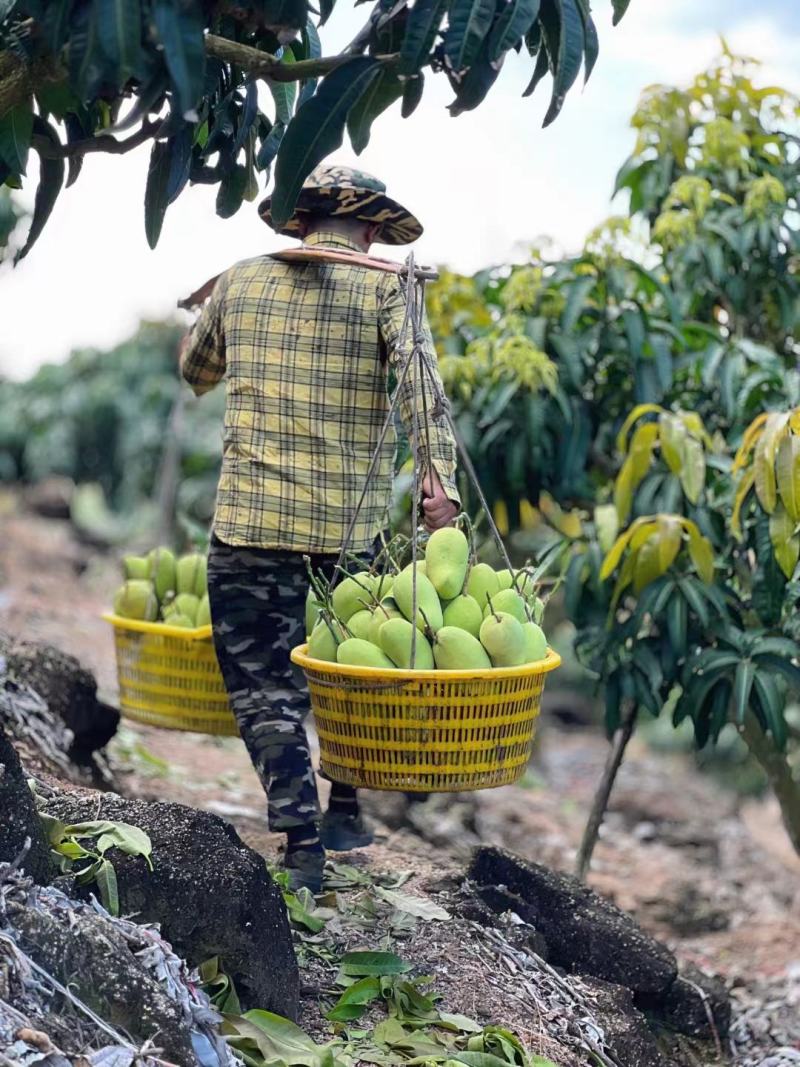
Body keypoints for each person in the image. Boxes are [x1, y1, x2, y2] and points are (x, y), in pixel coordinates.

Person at [179, 164, 459, 892]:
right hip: (347, 532)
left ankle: (301, 843)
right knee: (345, 674)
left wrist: (217, 312)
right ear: (370, 230)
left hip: (249, 525)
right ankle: (346, 809)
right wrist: (440, 482)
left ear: (300, 222)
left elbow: (194, 371)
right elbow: (418, 384)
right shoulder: (386, 286)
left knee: (263, 685)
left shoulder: (239, 279)